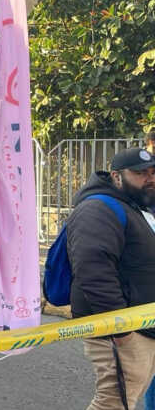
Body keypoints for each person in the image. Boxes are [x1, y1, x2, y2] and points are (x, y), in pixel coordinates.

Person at [67, 148, 155, 410]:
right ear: (117, 176)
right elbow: (94, 272)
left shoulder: (134, 205)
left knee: (126, 397)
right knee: (114, 402)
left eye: (153, 172)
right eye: (140, 173)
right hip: (120, 329)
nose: (149, 178)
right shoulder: (99, 208)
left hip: (139, 324)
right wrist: (121, 331)